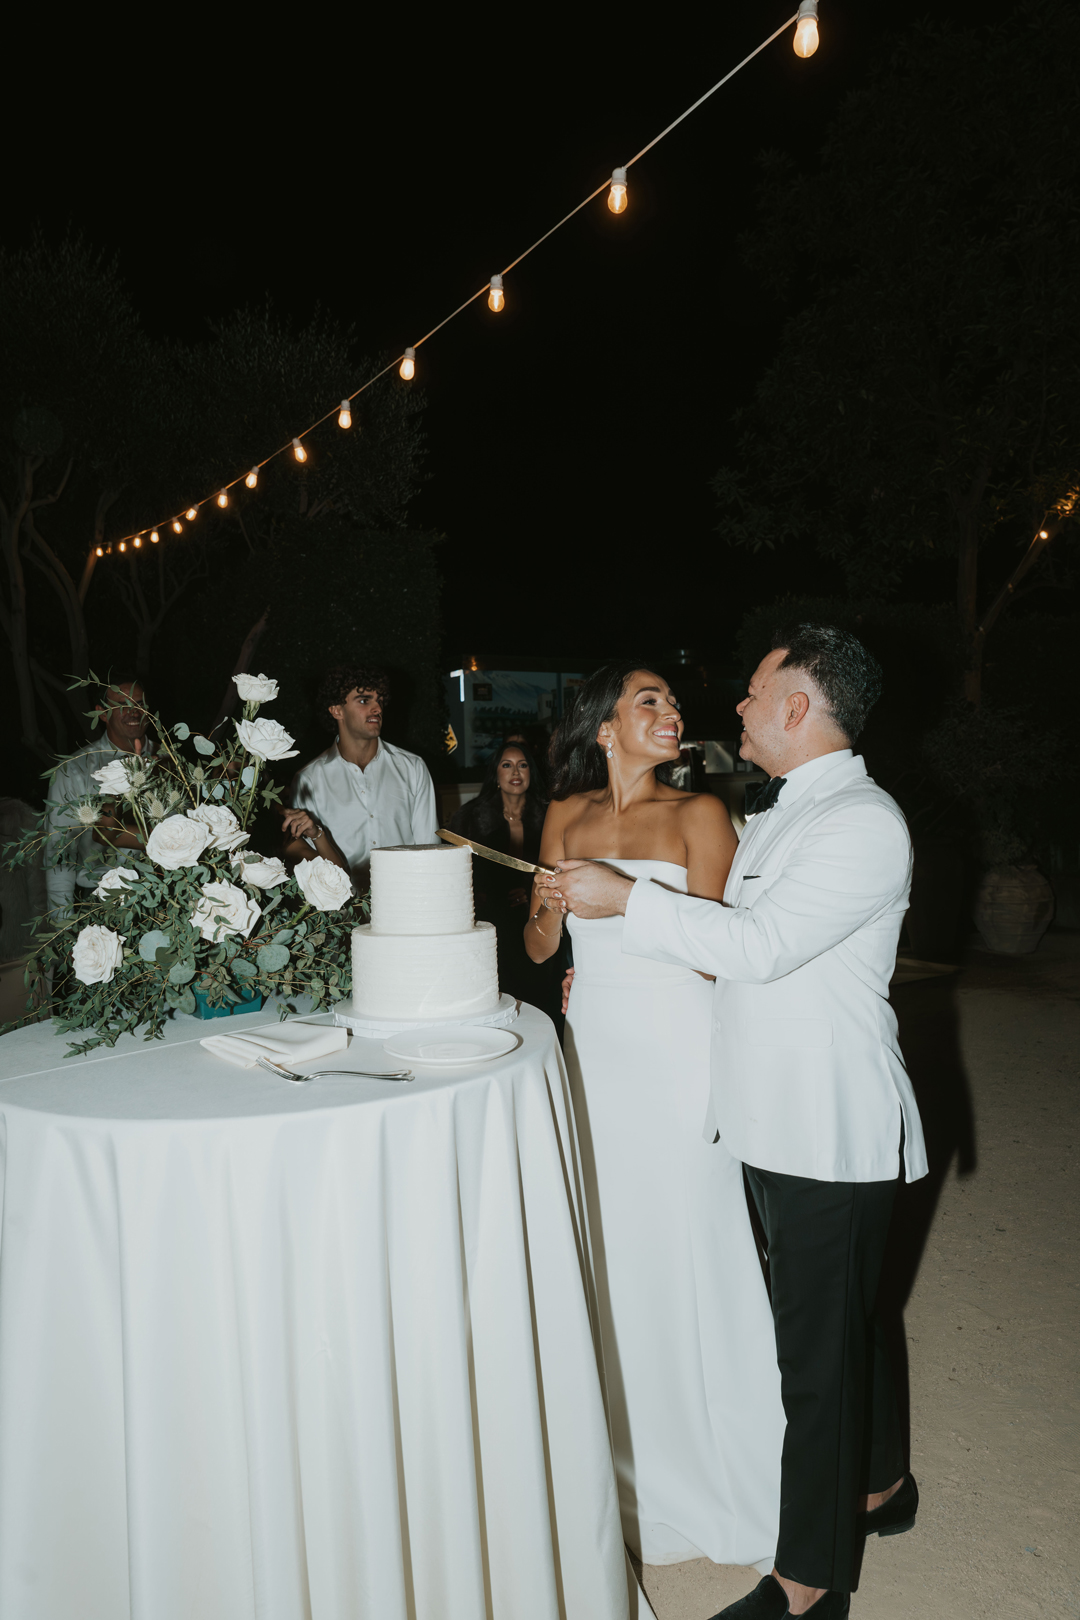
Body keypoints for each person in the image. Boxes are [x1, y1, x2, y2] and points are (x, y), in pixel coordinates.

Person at [539, 626, 928, 1620]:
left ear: (798, 708)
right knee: (846, 1320)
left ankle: (805, 1587)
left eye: (756, 690)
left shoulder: (862, 823)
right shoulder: (791, 812)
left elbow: (754, 947)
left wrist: (626, 903)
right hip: (772, 1104)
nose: (736, 705)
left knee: (818, 1352)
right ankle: (883, 1488)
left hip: (824, 1120)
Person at [525, 661, 786, 1571]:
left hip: (680, 1053)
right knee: (611, 1253)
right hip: (596, 1050)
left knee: (691, 1246)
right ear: (605, 726)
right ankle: (624, 1472)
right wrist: (553, 916)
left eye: (674, 701)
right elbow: (537, 943)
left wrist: (632, 907)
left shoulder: (700, 816)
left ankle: (724, 1472)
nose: (674, 712)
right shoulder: (562, 816)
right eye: (651, 701)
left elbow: (719, 952)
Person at [449, 742, 565, 1028]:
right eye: (507, 765)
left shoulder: (552, 815)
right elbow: (455, 878)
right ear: (495, 774)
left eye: (522, 764)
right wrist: (496, 897)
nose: (516, 772)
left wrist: (529, 892)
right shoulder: (469, 817)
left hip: (540, 919)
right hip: (492, 926)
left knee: (542, 999)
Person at [288, 664, 438, 884]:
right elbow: (308, 857)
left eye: (380, 700)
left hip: (406, 900)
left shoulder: (412, 768)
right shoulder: (309, 779)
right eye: (364, 700)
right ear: (337, 710)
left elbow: (429, 849)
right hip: (344, 911)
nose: (377, 708)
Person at [43, 676, 153, 921]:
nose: (133, 712)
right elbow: (59, 850)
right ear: (102, 714)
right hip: (99, 905)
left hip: (168, 897)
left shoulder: (171, 763)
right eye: (122, 705)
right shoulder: (74, 770)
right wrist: (63, 927)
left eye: (139, 703)